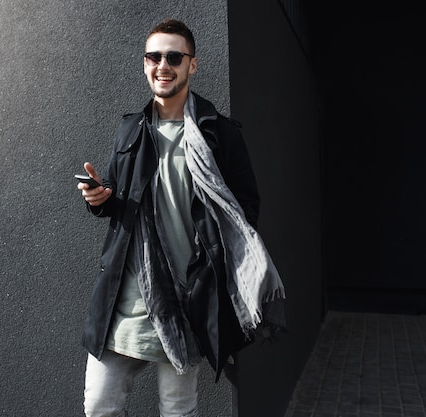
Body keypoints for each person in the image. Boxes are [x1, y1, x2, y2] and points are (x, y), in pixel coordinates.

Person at [77, 18, 285, 417]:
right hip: (127, 300)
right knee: (99, 404)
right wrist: (98, 199)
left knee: (178, 410)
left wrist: (212, 269)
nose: (163, 65)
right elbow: (118, 202)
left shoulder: (220, 134)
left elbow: (245, 210)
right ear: (144, 64)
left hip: (187, 302)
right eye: (154, 56)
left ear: (193, 65)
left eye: (174, 56)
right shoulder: (129, 131)